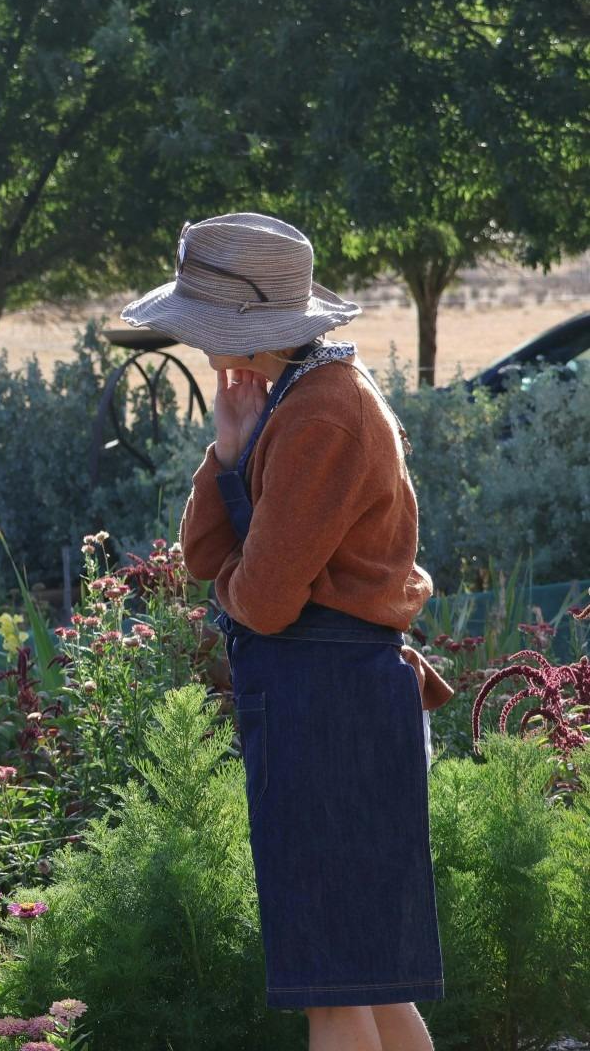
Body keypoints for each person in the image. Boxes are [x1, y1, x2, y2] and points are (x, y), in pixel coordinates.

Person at [122, 213, 455, 1051]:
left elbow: (261, 601)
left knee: (332, 988)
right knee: (364, 979)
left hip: (328, 705)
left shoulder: (322, 417)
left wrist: (243, 580)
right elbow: (205, 558)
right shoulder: (294, 401)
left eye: (201, 325)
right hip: (328, 699)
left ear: (244, 328)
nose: (195, 343)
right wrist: (228, 452)